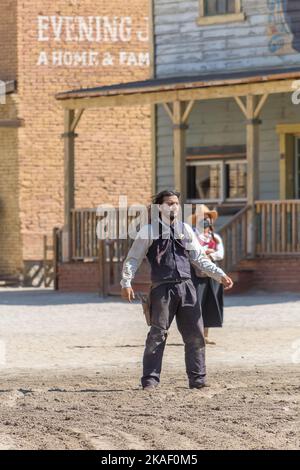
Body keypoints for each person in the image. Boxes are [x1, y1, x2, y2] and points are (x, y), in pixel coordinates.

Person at [121, 190, 234, 391]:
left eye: (176, 203)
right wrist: (126, 282)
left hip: (187, 287)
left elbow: (199, 258)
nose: (174, 206)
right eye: (169, 203)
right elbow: (133, 259)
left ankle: (197, 379)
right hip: (162, 289)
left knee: (196, 334)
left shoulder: (186, 230)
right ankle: (150, 381)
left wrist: (219, 274)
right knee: (157, 334)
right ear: (160, 207)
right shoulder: (148, 231)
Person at [189, 207, 224, 345]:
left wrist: (208, 254)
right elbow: (194, 251)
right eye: (202, 217)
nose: (205, 219)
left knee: (211, 301)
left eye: (207, 217)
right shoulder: (192, 235)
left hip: (213, 272)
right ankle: (195, 334)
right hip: (196, 272)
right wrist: (205, 251)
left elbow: (220, 254)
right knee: (197, 302)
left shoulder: (215, 237)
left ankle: (205, 335)